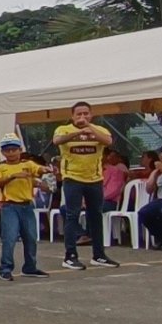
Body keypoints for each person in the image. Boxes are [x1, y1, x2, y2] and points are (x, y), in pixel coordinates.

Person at [53, 101, 121, 269]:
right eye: (79, 114)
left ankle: (99, 255)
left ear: (91, 115)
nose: (82, 117)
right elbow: (57, 141)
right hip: (72, 178)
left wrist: (90, 128)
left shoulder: (99, 130)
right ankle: (70, 256)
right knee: (72, 215)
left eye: (85, 114)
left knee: (96, 216)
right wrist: (77, 132)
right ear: (72, 116)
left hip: (95, 179)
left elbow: (108, 141)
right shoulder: (64, 129)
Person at [0, 134, 51, 281]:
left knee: (31, 237)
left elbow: (39, 170)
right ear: (3, 152)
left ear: (20, 150)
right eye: (7, 150)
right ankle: (5, 268)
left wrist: (47, 170)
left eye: (14, 149)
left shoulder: (28, 164)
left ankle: (30, 267)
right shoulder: (0, 167)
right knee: (9, 238)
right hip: (9, 206)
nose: (11, 153)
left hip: (27, 205)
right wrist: (13, 176)